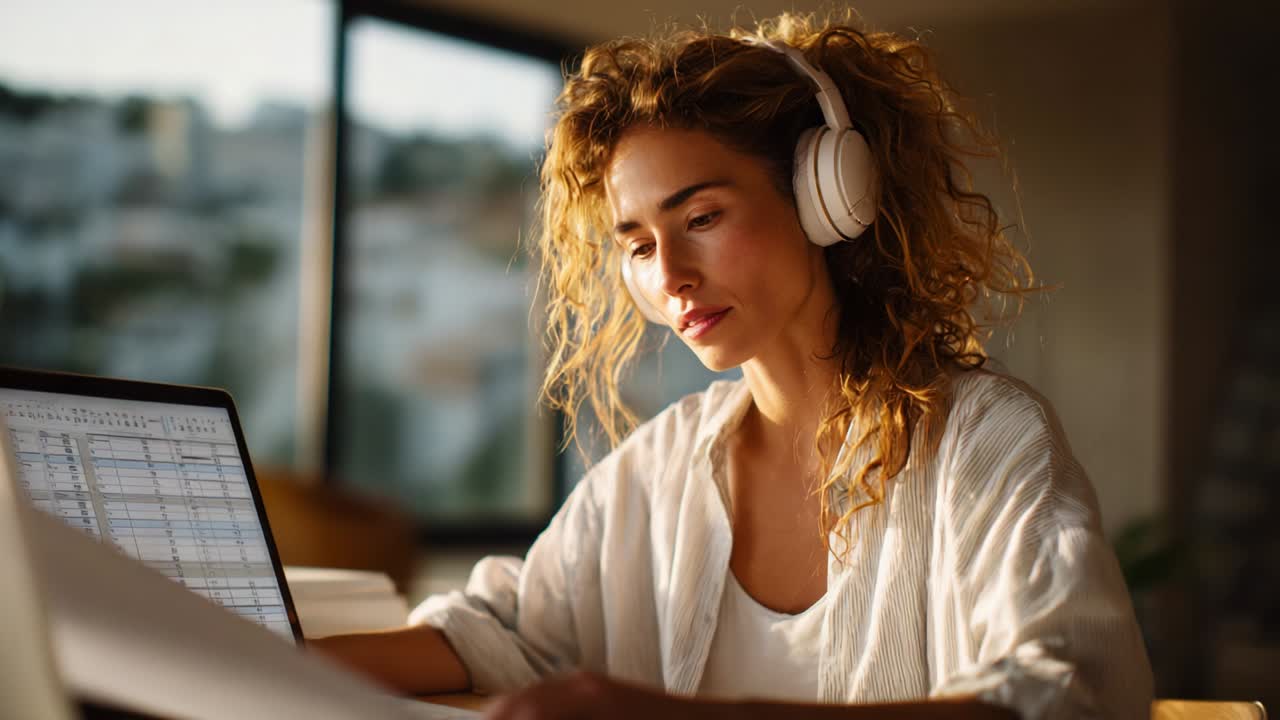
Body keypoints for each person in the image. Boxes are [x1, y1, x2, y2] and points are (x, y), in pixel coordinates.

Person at [310, 11, 1153, 719]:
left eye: (702, 216)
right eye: (637, 244)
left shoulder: (985, 439)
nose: (668, 273)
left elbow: (1065, 694)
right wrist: (240, 654)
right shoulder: (658, 471)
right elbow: (501, 632)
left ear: (829, 199)